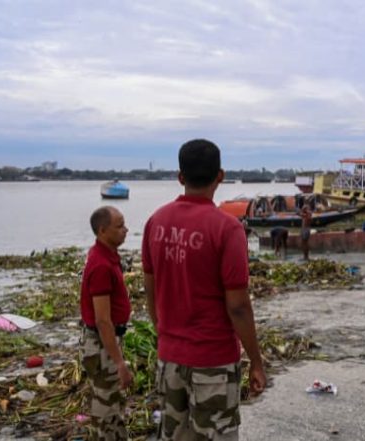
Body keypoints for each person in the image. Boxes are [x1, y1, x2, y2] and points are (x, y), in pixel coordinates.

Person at [142, 139, 266, 441]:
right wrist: (256, 361)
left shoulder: (156, 222)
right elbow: (237, 305)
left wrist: (165, 336)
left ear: (180, 177)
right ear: (220, 176)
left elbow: (150, 290)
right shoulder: (227, 229)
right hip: (213, 361)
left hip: (170, 358)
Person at [79, 206, 133, 440]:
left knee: (111, 405)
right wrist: (120, 363)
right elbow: (102, 320)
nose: (126, 230)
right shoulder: (101, 265)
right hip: (101, 346)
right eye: (119, 226)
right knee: (107, 411)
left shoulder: (106, 255)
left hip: (104, 344)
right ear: (102, 231)